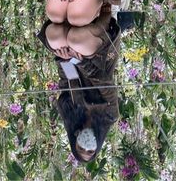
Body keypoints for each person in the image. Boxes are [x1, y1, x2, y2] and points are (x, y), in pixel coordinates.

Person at [36, 12, 120, 162]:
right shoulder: (110, 115)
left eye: (81, 148)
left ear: (75, 141)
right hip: (98, 58)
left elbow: (67, 78)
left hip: (73, 57)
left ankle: (69, 11)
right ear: (98, 146)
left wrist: (65, 58)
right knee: (77, 41)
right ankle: (103, 12)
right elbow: (103, 81)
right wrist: (80, 61)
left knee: (55, 37)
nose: (86, 145)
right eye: (90, 150)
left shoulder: (71, 112)